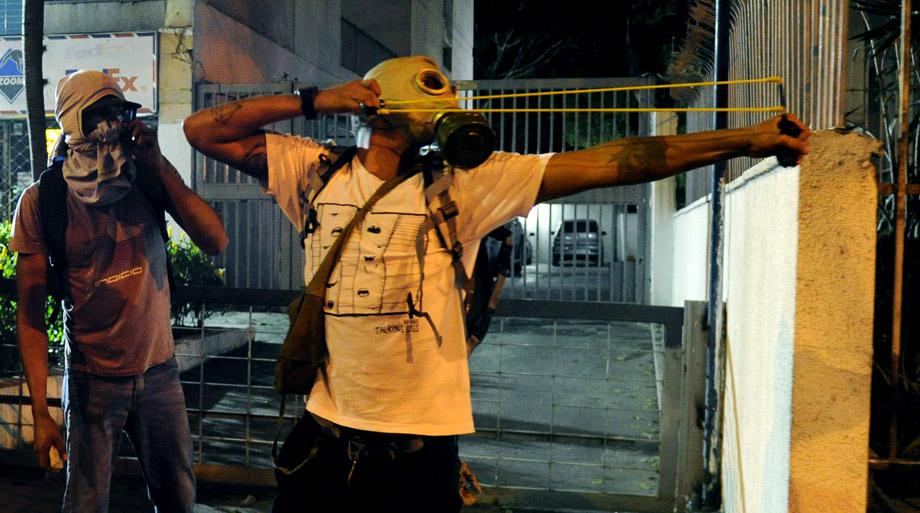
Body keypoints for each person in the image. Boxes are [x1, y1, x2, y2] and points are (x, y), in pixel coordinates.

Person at [183, 55, 810, 512]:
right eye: (434, 102)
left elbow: (611, 163)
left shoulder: (467, 184)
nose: (448, 118)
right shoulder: (314, 172)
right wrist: (319, 99)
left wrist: (749, 138)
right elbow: (202, 130)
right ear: (379, 104)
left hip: (419, 455)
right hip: (322, 439)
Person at [12, 70, 228, 513]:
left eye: (119, 112)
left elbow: (216, 241)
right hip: (92, 381)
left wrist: (158, 165)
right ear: (73, 120)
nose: (112, 125)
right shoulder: (42, 201)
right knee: (86, 504)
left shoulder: (144, 179)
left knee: (178, 500)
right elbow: (30, 314)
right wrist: (39, 410)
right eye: (100, 113)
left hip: (159, 374)